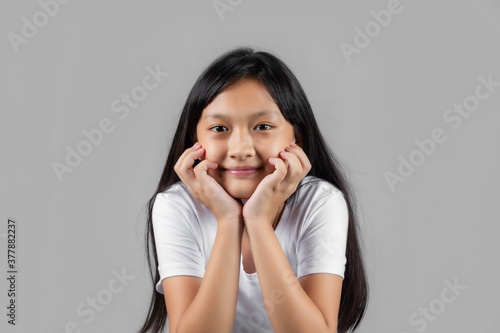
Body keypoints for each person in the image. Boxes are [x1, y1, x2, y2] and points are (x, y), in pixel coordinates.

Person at [138, 47, 368, 333]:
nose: (240, 150)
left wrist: (258, 222)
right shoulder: (176, 206)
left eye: (263, 126)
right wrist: (229, 221)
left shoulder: (320, 203)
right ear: (193, 137)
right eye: (220, 128)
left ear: (298, 136)